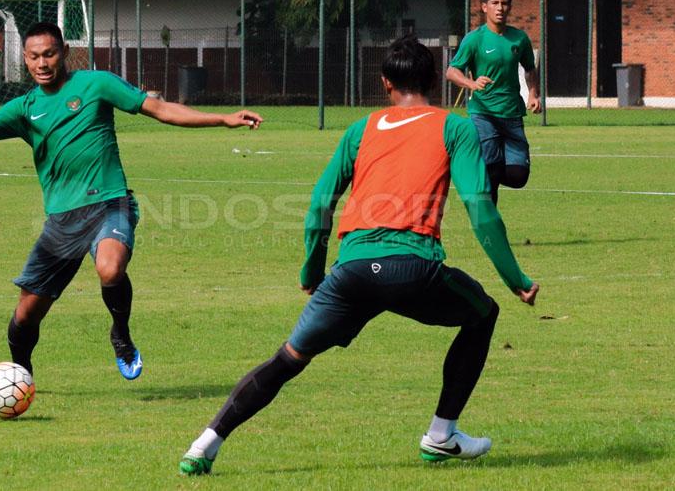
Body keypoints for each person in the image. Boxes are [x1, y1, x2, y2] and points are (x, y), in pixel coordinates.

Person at [178, 34, 539, 475]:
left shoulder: (361, 128)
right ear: (433, 81)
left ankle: (205, 443)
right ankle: (442, 434)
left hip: (350, 270)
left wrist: (312, 270)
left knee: (289, 358)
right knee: (482, 314)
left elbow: (319, 206)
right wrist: (516, 279)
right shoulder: (455, 127)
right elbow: (481, 210)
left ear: (386, 83)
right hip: (411, 267)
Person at [0, 22, 262, 380]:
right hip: (63, 220)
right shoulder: (24, 108)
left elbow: (160, 110)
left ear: (64, 51)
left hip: (110, 202)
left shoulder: (97, 84)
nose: (42, 63)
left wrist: (223, 118)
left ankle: (121, 334)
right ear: (26, 60)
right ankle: (21, 373)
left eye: (49, 54)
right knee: (26, 314)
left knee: (110, 268)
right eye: (33, 57)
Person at [446, 0, 541, 205]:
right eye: (495, 3)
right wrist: (471, 83)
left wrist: (533, 94)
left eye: (504, 3)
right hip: (483, 113)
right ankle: (490, 222)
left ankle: (480, 174)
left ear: (509, 7)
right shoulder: (474, 39)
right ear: (484, 7)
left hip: (512, 114)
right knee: (491, 170)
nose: (500, 8)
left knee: (518, 176)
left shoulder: (519, 39)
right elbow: (451, 71)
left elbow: (530, 69)